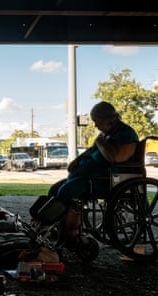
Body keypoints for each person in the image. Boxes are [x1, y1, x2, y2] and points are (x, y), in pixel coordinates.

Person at [34, 101, 139, 243]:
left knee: (66, 192)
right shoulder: (106, 135)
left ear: (108, 119)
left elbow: (117, 158)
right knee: (55, 189)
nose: (95, 125)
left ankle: (69, 234)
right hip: (88, 178)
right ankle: (51, 226)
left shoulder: (126, 134)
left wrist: (101, 143)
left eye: (97, 121)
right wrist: (77, 161)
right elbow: (91, 151)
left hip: (106, 180)